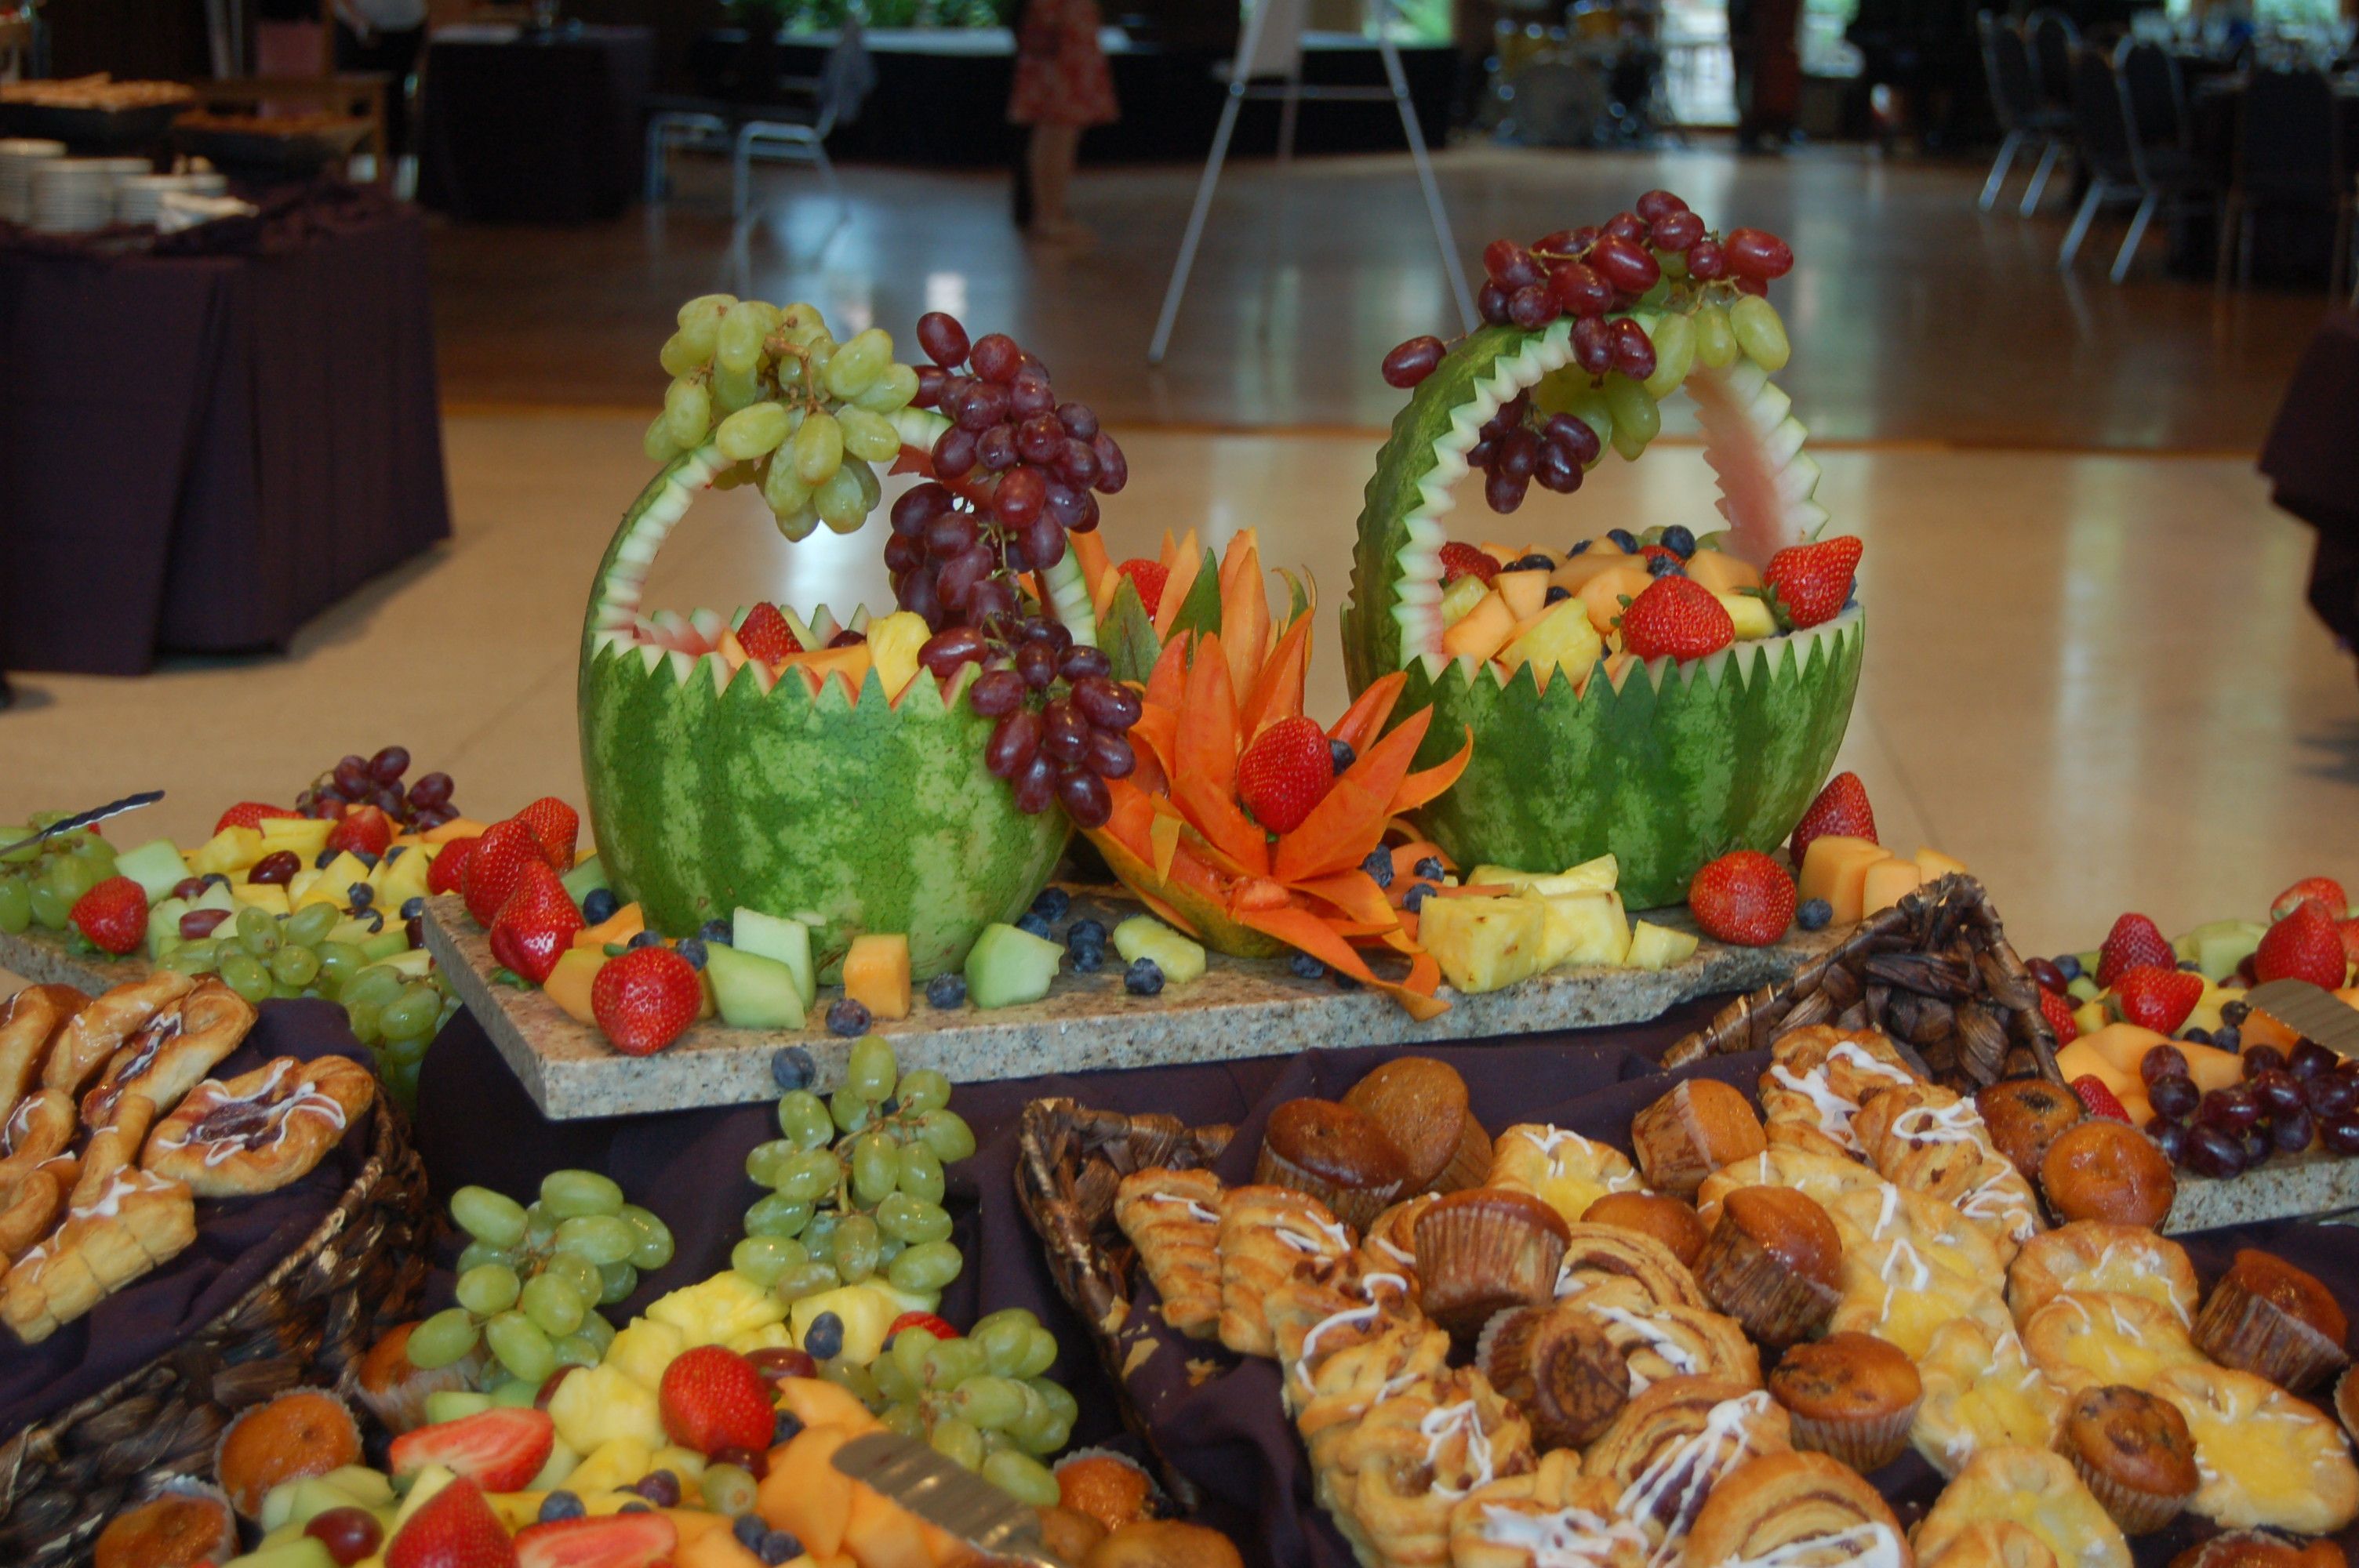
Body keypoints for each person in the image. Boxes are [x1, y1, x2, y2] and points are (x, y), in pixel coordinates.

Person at [1008, 0, 1118, 242]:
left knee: (1057, 131)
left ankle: (1050, 214)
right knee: (1057, 130)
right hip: (1061, 37)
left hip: (1065, 33)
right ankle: (1049, 217)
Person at [331, 0, 428, 159]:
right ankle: (346, 165)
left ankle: (392, 164)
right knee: (352, 103)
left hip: (405, 24)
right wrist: (358, 22)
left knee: (396, 101)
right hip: (354, 23)